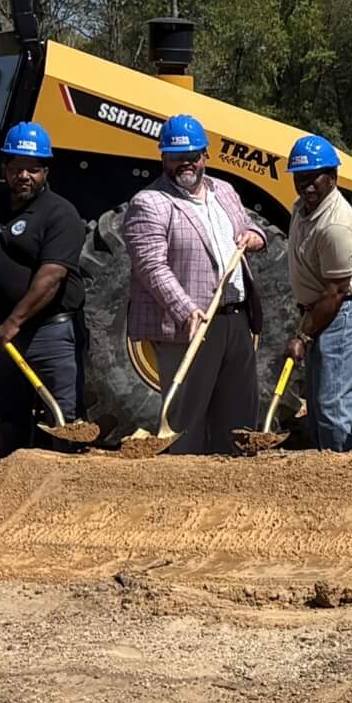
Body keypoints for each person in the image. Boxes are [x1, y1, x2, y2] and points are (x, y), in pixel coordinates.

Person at [123, 113, 265, 455]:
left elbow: (249, 225)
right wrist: (186, 309)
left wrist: (254, 235)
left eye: (193, 156)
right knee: (185, 422)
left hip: (235, 319)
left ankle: (232, 493)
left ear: (206, 155)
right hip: (190, 326)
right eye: (176, 157)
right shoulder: (150, 203)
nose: (186, 164)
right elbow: (151, 267)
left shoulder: (225, 191)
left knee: (238, 418)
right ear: (163, 158)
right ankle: (184, 494)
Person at [0, 122, 86, 457]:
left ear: (45, 171)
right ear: (5, 169)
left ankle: (64, 498)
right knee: (8, 417)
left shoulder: (60, 214)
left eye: (33, 169)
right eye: (16, 167)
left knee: (62, 420)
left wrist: (15, 322)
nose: (23, 175)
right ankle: (11, 494)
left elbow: (51, 277)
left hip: (47, 335)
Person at [282, 134, 352, 453]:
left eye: (314, 178)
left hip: (343, 313)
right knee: (320, 404)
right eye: (300, 178)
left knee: (333, 403)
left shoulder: (336, 225)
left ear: (333, 177)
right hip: (321, 312)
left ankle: (342, 472)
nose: (306, 186)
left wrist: (304, 337)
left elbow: (335, 293)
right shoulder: (303, 208)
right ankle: (327, 473)